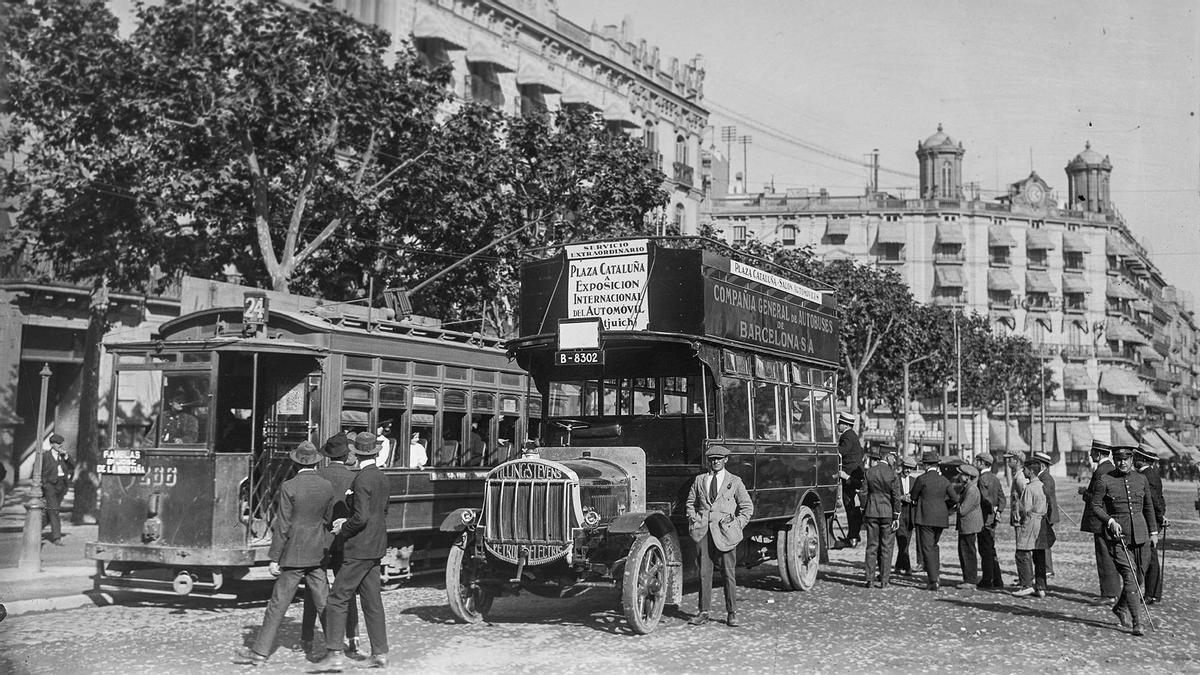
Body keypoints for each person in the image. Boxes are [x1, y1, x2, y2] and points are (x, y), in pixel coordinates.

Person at [235, 441, 334, 664]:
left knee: (277, 604)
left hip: (294, 554)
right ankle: (334, 649)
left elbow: (283, 526)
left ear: (295, 462)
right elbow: (327, 520)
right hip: (317, 552)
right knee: (323, 601)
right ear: (317, 463)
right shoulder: (327, 486)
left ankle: (260, 653)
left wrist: (275, 557)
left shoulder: (289, 486)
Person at [312, 432, 390, 669]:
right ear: (375, 453)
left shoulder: (362, 480)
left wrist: (342, 526)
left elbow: (361, 517)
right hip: (375, 546)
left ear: (356, 453)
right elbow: (380, 513)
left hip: (359, 548)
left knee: (337, 598)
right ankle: (380, 654)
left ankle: (334, 654)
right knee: (372, 600)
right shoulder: (381, 477)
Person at [300, 434, 361, 658]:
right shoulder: (354, 478)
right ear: (346, 456)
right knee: (346, 591)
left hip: (320, 541)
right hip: (345, 541)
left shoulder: (317, 475)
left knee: (313, 589)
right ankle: (352, 639)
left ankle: (307, 637)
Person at [1090, 446, 1158, 636]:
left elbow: (1148, 506)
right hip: (1118, 538)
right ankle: (1137, 622)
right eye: (1119, 459)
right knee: (1130, 577)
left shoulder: (1141, 479)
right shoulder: (1105, 480)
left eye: (1126, 459)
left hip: (1142, 535)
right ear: (1115, 459)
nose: (1122, 463)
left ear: (1132, 459)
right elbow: (1095, 506)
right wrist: (1110, 521)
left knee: (1139, 578)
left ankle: (1120, 608)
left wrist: (1153, 531)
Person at [686, 445, 753, 627]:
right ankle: (703, 612)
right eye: (712, 459)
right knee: (703, 573)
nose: (715, 462)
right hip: (703, 533)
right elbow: (690, 502)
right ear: (708, 460)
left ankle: (732, 613)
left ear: (726, 460)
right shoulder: (700, 480)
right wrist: (694, 520)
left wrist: (737, 525)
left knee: (728, 574)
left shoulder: (734, 481)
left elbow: (747, 507)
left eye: (719, 458)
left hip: (725, 534)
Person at [1079, 440, 1121, 605]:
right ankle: (1111, 592)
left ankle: (1109, 594)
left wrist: (1085, 493)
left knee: (1104, 556)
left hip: (1101, 520)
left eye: (1091, 452)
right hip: (1107, 519)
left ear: (1097, 453)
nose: (1090, 455)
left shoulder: (1102, 471)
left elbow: (1097, 498)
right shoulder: (1109, 468)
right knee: (1107, 556)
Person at [909, 450, 952, 591]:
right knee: (934, 546)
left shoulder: (921, 479)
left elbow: (913, 497)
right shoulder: (945, 480)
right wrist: (945, 507)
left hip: (925, 518)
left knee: (927, 548)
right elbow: (955, 499)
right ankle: (936, 575)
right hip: (941, 518)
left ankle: (934, 580)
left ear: (926, 465)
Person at [860, 444, 901, 588]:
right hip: (888, 513)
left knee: (871, 546)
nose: (894, 460)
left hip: (871, 512)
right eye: (893, 457)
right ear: (888, 456)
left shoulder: (870, 472)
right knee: (886, 548)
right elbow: (896, 497)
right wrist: (896, 516)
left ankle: (869, 579)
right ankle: (884, 580)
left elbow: (863, 493)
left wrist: (864, 509)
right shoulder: (892, 474)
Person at [1133, 445, 1167, 603]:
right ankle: (1152, 593)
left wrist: (1159, 519)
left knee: (1150, 559)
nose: (1133, 460)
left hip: (1149, 522)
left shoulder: (1147, 476)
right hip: (1151, 520)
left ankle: (1151, 594)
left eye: (1136, 458)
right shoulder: (1148, 474)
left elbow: (1154, 502)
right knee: (1150, 557)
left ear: (1143, 459)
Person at [1012, 458, 1048, 598]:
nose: (1023, 472)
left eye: (1025, 469)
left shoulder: (1030, 488)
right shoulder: (1041, 485)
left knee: (1022, 552)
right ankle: (1040, 587)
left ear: (1031, 471)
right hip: (1041, 520)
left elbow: (1025, 508)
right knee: (1039, 555)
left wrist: (1020, 515)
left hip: (1031, 520)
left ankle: (1026, 585)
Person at [973, 452, 1005, 589]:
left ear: (982, 463)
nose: (975, 463)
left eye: (977, 460)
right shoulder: (995, 478)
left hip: (984, 518)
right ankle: (998, 580)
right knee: (991, 549)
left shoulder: (982, 479)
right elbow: (1002, 498)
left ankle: (987, 580)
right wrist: (998, 511)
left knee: (985, 550)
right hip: (992, 519)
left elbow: (984, 499)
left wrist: (991, 509)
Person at [834, 412, 865, 548]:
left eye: (840, 423)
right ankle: (854, 535)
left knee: (851, 508)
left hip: (849, 477)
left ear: (845, 424)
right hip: (854, 475)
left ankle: (852, 537)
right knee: (853, 508)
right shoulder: (852, 435)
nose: (838, 425)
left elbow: (841, 452)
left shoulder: (847, 436)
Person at [41, 434, 75, 545]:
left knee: (51, 510)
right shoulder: (45, 456)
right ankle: (56, 537)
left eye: (61, 443)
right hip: (50, 485)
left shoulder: (64, 455)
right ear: (52, 444)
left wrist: (66, 457)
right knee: (54, 510)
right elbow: (39, 470)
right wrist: (44, 484)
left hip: (61, 485)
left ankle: (35, 529)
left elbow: (73, 466)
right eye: (58, 443)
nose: (60, 445)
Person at [1030, 450, 1059, 579]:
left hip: (1046, 515)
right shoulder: (1043, 477)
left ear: (1041, 466)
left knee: (1044, 543)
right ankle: (1045, 568)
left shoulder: (1046, 478)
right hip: (1044, 514)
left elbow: (1045, 497)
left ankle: (1047, 569)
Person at [954, 464, 982, 590]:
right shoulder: (968, 488)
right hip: (967, 525)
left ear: (968, 477)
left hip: (969, 526)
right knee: (964, 552)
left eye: (962, 474)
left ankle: (970, 580)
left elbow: (963, 510)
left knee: (968, 553)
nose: (960, 476)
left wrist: (957, 506)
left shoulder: (972, 490)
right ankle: (968, 579)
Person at [893, 456, 919, 576]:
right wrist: (901, 498)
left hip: (910, 514)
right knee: (902, 540)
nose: (908, 470)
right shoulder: (895, 478)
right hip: (899, 513)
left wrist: (913, 500)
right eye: (907, 468)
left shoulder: (914, 480)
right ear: (902, 466)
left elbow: (918, 497)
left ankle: (898, 566)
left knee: (906, 542)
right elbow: (891, 495)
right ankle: (907, 567)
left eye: (911, 469)